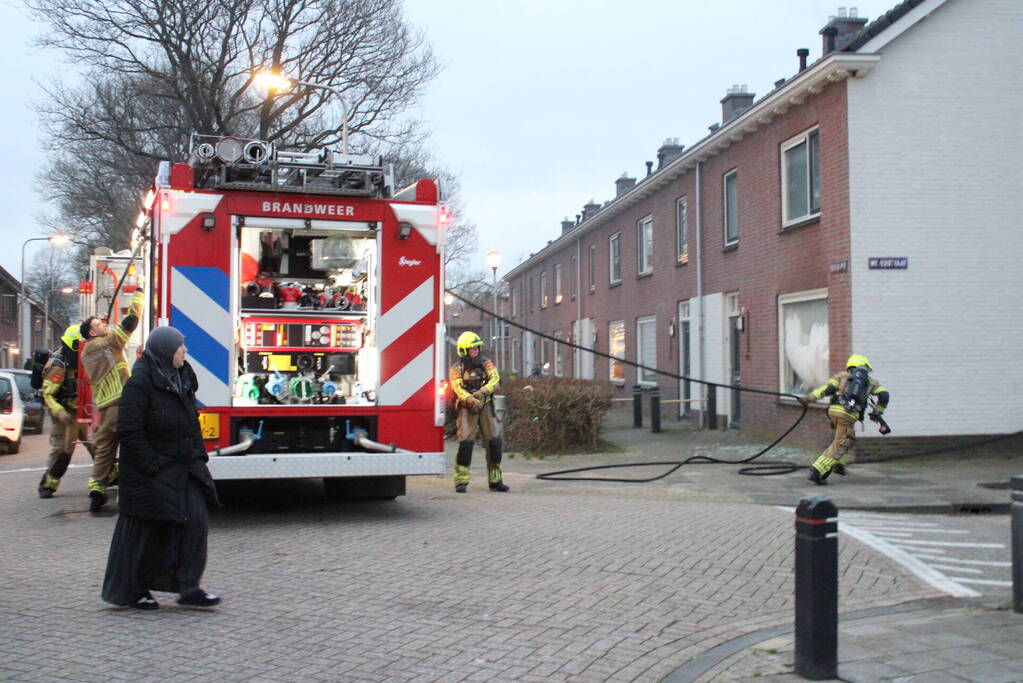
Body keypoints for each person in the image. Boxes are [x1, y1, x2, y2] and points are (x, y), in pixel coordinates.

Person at [101, 326, 221, 610]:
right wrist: (150, 465)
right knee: (144, 531)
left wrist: (199, 456)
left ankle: (189, 587)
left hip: (183, 466)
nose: (186, 351)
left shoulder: (182, 378)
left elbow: (191, 421)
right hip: (150, 471)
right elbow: (129, 431)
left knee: (195, 520)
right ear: (167, 351)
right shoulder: (140, 382)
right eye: (181, 347)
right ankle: (131, 590)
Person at [80, 288, 145, 511]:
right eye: (98, 324)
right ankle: (124, 495)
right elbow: (131, 322)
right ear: (91, 331)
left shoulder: (87, 352)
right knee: (128, 447)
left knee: (104, 450)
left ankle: (96, 488)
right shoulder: (107, 343)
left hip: (104, 408)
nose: (103, 324)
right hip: (122, 404)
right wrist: (140, 294)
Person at [800, 354, 890, 485]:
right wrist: (878, 411)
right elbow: (884, 395)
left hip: (833, 412)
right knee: (841, 442)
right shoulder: (871, 382)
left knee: (848, 438)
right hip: (848, 415)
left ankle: (838, 463)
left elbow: (826, 389)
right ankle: (817, 470)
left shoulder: (841, 376)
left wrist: (809, 398)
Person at [37, 325, 96, 498]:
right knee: (63, 451)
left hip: (83, 411)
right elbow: (47, 395)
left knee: (98, 447)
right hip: (65, 415)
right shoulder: (58, 365)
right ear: (75, 345)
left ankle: (110, 476)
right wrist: (59, 411)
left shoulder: (80, 360)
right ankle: (48, 484)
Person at [450, 331, 508, 494]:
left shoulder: (486, 363)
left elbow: (495, 379)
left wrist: (483, 392)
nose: (475, 350)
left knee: (494, 443)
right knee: (466, 443)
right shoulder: (456, 369)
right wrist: (470, 399)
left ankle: (496, 480)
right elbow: (457, 387)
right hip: (467, 409)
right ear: (463, 350)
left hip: (486, 406)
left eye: (477, 347)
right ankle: (461, 481)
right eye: (472, 348)